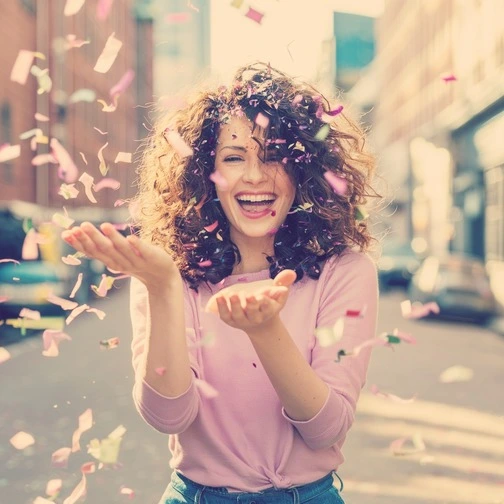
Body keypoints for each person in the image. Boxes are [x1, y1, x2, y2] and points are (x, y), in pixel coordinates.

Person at [62, 62, 379, 504]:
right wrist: (162, 287)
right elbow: (168, 416)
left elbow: (326, 428)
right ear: (204, 174)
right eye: (234, 157)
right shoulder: (166, 271)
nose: (253, 176)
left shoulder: (345, 272)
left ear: (305, 169)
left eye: (274, 156)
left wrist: (264, 329)